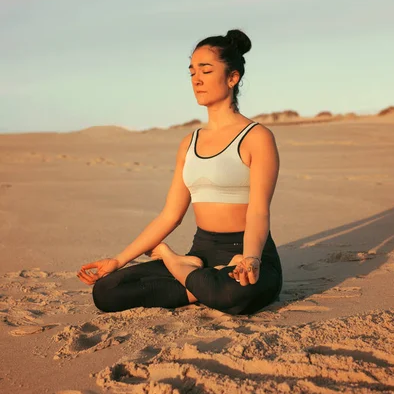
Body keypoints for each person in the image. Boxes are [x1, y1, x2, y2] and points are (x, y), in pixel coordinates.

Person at [77, 29, 283, 316]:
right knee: (107, 292)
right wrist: (118, 260)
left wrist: (250, 259)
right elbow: (170, 216)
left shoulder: (257, 137)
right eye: (192, 72)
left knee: (236, 292)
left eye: (206, 70)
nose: (196, 79)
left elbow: (259, 212)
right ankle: (194, 276)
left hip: (247, 250)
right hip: (201, 255)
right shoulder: (189, 143)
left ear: (233, 77)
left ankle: (178, 266)